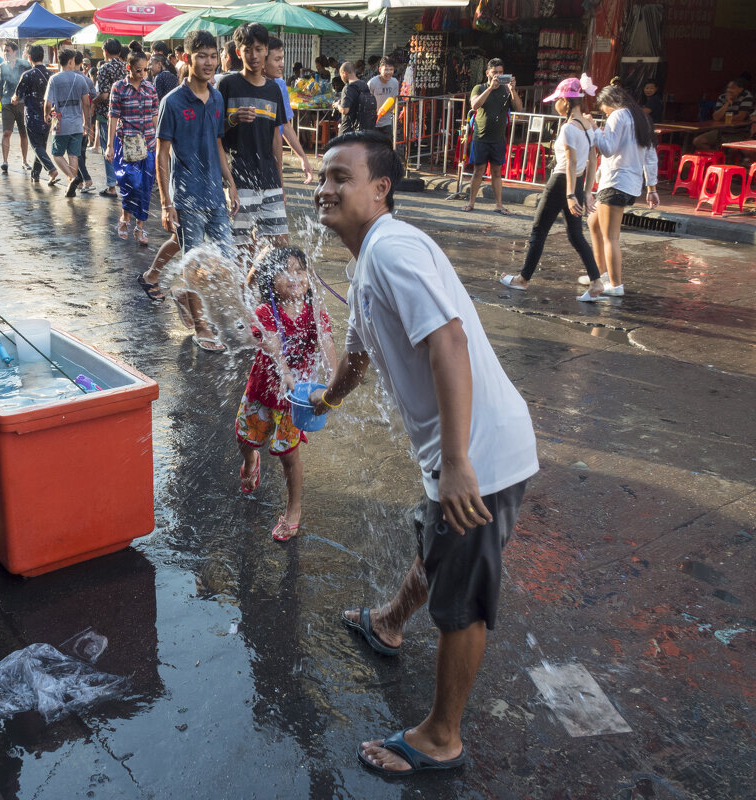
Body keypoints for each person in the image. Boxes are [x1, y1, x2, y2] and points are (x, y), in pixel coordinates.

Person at [309, 130, 538, 777]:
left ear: (380, 189)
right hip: (466, 450)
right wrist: (324, 403)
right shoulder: (370, 263)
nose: (324, 188)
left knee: (460, 599)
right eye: (322, 177)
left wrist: (460, 461)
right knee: (438, 540)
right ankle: (387, 622)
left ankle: (442, 738)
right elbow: (355, 358)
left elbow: (449, 341)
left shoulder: (393, 247)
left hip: (481, 455)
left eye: (340, 177)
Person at [142, 28, 239, 352]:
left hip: (215, 195)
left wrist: (231, 184)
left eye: (213, 56)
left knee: (227, 261)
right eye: (202, 56)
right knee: (194, 264)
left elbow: (217, 142)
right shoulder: (172, 102)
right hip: (186, 198)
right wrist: (167, 205)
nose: (209, 62)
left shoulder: (217, 97)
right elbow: (162, 154)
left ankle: (185, 295)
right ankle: (201, 326)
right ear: (188, 58)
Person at [237, 247, 337, 541]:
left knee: (289, 456)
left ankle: (294, 509)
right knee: (245, 439)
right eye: (285, 271)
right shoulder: (266, 312)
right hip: (261, 393)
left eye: (300, 270)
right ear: (270, 281)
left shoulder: (315, 313)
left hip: (297, 401)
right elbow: (273, 346)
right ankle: (250, 460)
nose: (295, 278)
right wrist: (286, 372)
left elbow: (328, 343)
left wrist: (333, 380)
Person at [499, 75, 604, 300]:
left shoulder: (569, 128)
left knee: (539, 231)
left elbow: (572, 161)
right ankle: (596, 282)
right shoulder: (589, 125)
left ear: (565, 102)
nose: (555, 104)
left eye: (557, 100)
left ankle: (523, 279)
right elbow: (593, 160)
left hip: (561, 183)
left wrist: (569, 194)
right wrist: (585, 192)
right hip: (575, 183)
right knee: (576, 235)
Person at [219, 23, 289, 256]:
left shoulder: (274, 89)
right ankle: (244, 292)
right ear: (238, 52)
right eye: (248, 49)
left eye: (258, 49)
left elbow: (275, 138)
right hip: (239, 178)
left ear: (266, 50)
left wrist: (280, 182)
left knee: (280, 243)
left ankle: (261, 290)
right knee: (242, 246)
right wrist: (234, 120)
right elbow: (216, 134)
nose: (254, 55)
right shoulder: (227, 85)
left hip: (269, 178)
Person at [585, 84, 658, 297]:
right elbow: (651, 156)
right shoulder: (642, 118)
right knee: (594, 223)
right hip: (630, 183)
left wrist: (595, 129)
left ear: (611, 102)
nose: (604, 113)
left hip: (616, 181)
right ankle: (602, 274)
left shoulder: (618, 116)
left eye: (604, 109)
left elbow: (607, 149)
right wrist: (651, 187)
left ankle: (615, 284)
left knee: (611, 237)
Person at [106, 50, 159, 243]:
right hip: (126, 143)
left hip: (149, 143)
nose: (142, 74)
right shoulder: (119, 88)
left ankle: (140, 227)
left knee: (145, 187)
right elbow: (113, 117)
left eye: (145, 70)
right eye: (138, 70)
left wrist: (161, 141)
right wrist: (109, 146)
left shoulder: (150, 88)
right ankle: (125, 217)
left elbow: (155, 115)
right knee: (131, 183)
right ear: (128, 68)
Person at [463, 58, 523, 214]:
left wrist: (512, 90)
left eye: (501, 73)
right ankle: (471, 202)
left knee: (497, 172)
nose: (498, 75)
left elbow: (519, 108)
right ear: (487, 73)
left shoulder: (505, 90)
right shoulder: (479, 87)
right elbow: (475, 105)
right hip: (481, 137)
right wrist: (490, 88)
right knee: (478, 171)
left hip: (498, 139)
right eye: (495, 72)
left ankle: (499, 204)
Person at [265, 36, 314, 185]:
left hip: (276, 154)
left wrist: (303, 158)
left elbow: (285, 125)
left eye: (282, 59)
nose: (282, 64)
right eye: (277, 59)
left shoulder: (280, 85)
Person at [45, 48, 93, 197]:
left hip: (57, 121)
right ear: (71, 61)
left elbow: (48, 103)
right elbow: (86, 103)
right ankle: (70, 184)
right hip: (77, 123)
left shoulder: (54, 79)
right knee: (73, 155)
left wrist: (46, 115)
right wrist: (86, 123)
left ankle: (71, 178)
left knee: (56, 154)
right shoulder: (81, 79)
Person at [14, 45, 58, 185]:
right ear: (42, 57)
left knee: (36, 146)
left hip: (32, 115)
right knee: (41, 146)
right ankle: (35, 174)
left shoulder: (27, 75)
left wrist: (13, 99)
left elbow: (17, 96)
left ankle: (51, 169)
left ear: (30, 58)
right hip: (48, 116)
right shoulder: (51, 75)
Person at [94, 39, 125, 198]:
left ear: (105, 51)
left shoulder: (105, 68)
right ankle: (122, 180)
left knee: (109, 149)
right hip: (124, 114)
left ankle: (111, 186)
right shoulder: (125, 66)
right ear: (119, 52)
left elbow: (104, 94)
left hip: (107, 114)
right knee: (121, 149)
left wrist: (94, 101)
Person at [0, 41, 30, 173]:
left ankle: (25, 161)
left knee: (23, 132)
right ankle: (5, 161)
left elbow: (29, 84)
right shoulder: (1, 67)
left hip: (22, 103)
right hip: (6, 102)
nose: (5, 53)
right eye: (4, 50)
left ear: (14, 51)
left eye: (7, 50)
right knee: (6, 132)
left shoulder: (24, 65)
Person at [692, 78, 753, 150]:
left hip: (739, 132)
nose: (729, 90)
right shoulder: (723, 97)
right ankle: (716, 158)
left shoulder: (747, 97)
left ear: (740, 89)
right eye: (728, 88)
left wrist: (723, 118)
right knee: (698, 141)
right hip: (721, 131)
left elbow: (741, 117)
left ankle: (723, 159)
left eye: (732, 88)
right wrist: (727, 103)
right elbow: (716, 117)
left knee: (733, 149)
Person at [73, 50, 98, 193]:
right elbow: (93, 98)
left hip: (74, 120)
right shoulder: (87, 80)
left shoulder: (64, 78)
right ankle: (79, 180)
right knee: (81, 152)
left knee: (75, 152)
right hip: (85, 118)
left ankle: (84, 179)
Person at [337, 62, 376, 135]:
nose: (341, 78)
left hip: (348, 130)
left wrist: (337, 105)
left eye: (341, 75)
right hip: (361, 129)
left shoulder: (348, 88)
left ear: (344, 73)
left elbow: (345, 110)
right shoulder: (364, 84)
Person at [368, 57, 399, 141]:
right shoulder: (372, 83)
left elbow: (394, 100)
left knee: (387, 146)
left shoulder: (395, 82)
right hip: (373, 122)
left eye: (391, 69)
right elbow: (367, 102)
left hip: (387, 122)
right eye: (386, 69)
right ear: (380, 69)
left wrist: (386, 109)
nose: (388, 72)